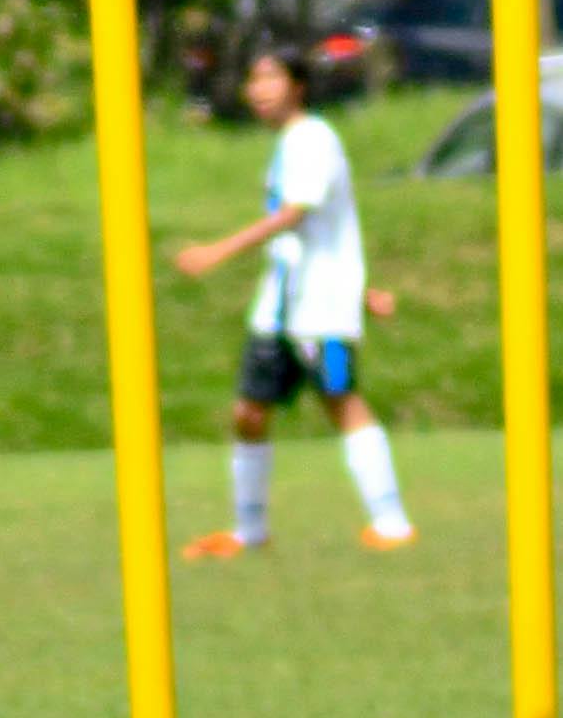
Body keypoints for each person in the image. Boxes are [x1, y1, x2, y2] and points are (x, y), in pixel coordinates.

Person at [172, 45, 412, 559]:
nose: (258, 90)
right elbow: (320, 232)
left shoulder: (314, 138)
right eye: (253, 80)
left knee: (341, 399)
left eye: (270, 78)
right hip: (280, 306)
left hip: (318, 309)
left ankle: (392, 524)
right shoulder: (290, 142)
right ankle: (248, 531)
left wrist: (218, 251)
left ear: (297, 86)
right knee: (248, 410)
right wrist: (363, 292)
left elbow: (295, 215)